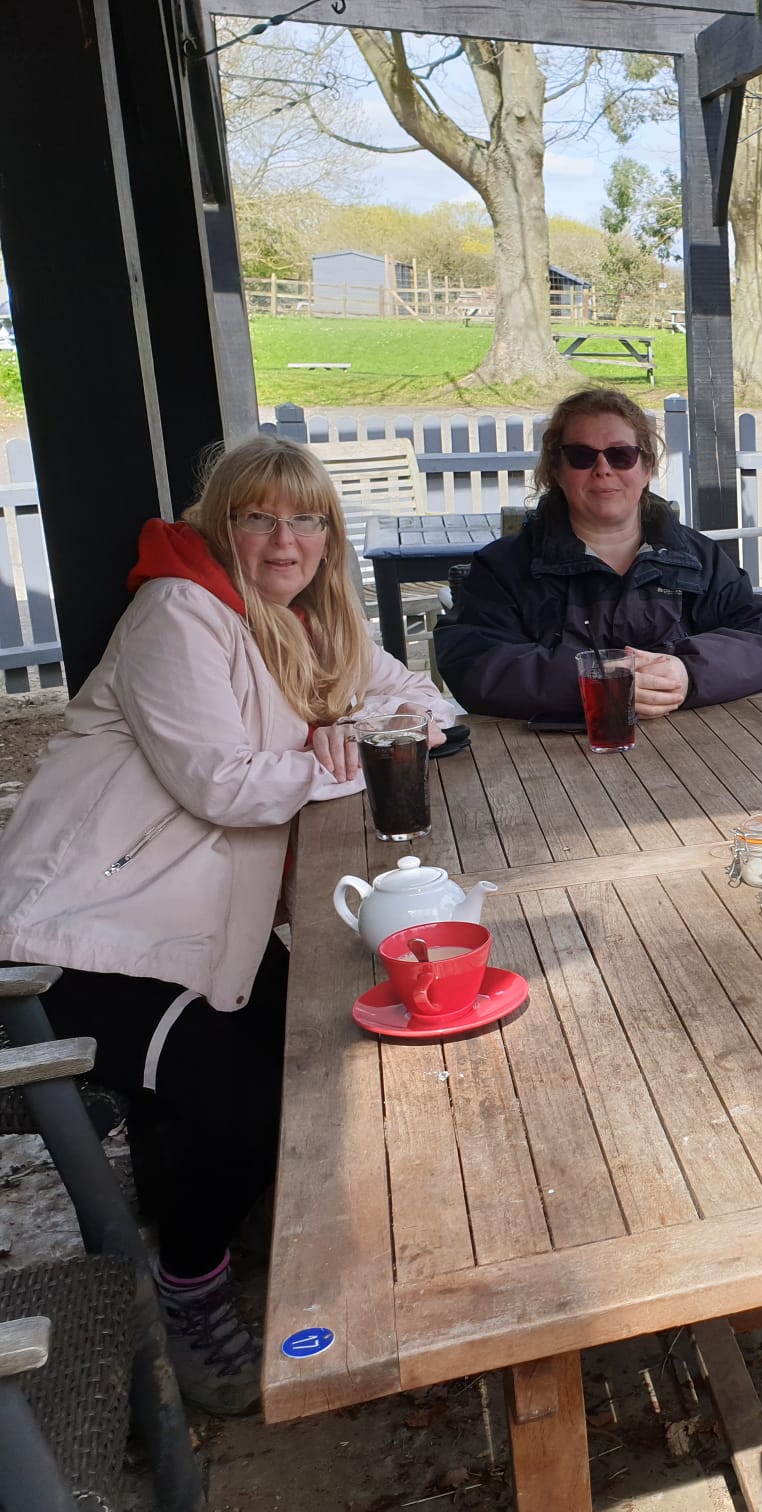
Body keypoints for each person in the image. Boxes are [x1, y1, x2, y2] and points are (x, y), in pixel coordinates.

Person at [0, 436, 457, 1417]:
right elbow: (224, 786)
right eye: (259, 518)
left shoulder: (313, 621)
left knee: (340, 1033)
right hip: (82, 940)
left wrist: (366, 728)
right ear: (224, 526)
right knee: (250, 1098)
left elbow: (429, 704)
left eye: (307, 520)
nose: (285, 540)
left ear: (330, 538)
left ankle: (244, 1215)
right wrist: (351, 751)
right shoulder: (180, 612)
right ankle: (190, 1289)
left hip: (206, 935)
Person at [435, 388, 762, 723]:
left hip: (698, 756)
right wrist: (598, 683)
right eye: (581, 456)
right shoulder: (504, 568)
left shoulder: (699, 559)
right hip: (547, 766)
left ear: (647, 469)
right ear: (557, 472)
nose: (603, 468)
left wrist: (689, 672)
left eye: (621, 455)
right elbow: (472, 664)